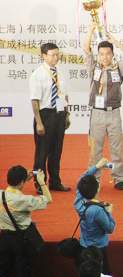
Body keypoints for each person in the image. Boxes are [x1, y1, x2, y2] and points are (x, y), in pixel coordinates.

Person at [83, 23, 123, 191]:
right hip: (97, 114)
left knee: (116, 148)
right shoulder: (93, 68)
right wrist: (90, 31)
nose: (105, 57)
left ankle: (118, 179)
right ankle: (93, 179)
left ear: (112, 54)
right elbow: (86, 50)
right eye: (102, 54)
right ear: (98, 55)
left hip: (114, 113)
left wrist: (115, 41)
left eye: (108, 53)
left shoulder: (118, 68)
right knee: (95, 149)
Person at [29, 42, 71, 193]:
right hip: (45, 115)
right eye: (53, 55)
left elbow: (65, 95)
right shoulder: (37, 74)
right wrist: (39, 122)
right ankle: (40, 184)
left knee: (56, 151)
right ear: (44, 56)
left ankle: (55, 182)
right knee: (42, 152)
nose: (56, 58)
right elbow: (34, 100)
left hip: (60, 114)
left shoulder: (61, 72)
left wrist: (67, 115)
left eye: (58, 55)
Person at [0, 166, 51, 277]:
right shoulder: (24, 200)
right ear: (22, 182)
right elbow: (48, 199)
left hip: (4, 238)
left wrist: (23, 180)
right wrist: (42, 182)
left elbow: (14, 191)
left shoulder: (1, 194)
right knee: (23, 270)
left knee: (3, 269)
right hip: (21, 240)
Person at [74, 158, 116, 275]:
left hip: (84, 245)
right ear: (97, 190)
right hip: (98, 249)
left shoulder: (78, 202)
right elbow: (110, 228)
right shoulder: (97, 210)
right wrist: (109, 212)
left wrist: (96, 167)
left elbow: (81, 180)